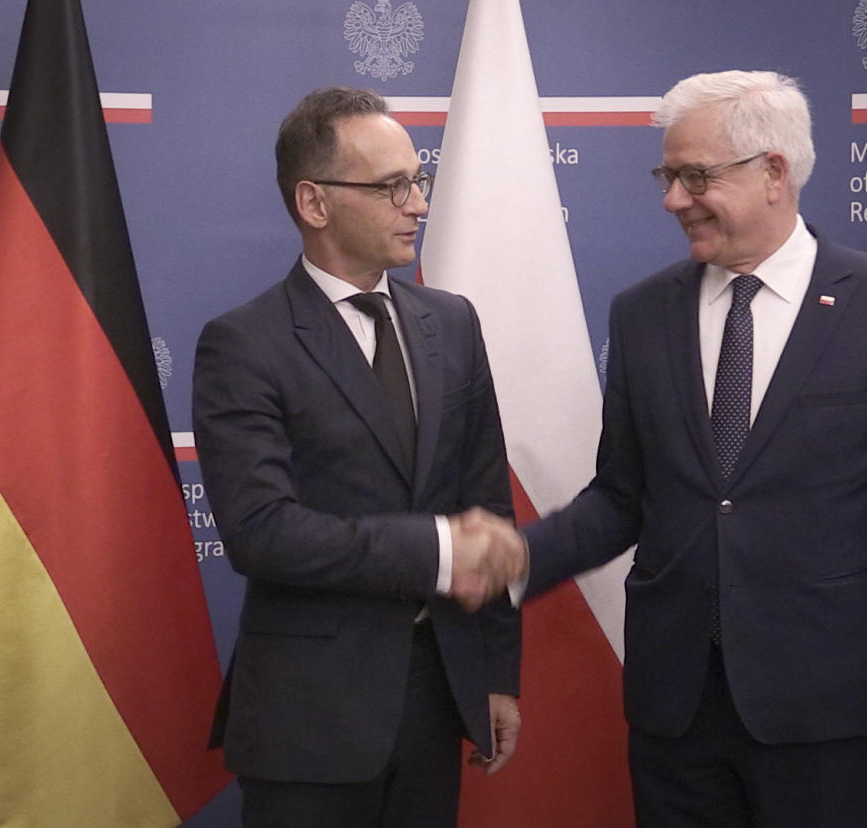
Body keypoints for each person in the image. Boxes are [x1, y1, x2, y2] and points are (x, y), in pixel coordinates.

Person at [486, 69, 867, 826]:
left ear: (773, 171)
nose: (673, 199)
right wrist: (515, 559)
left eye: (695, 176)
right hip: (675, 708)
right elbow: (622, 497)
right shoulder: (643, 314)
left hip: (821, 709)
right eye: (668, 176)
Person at [192, 87, 524, 827]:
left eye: (419, 180)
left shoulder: (452, 322)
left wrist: (496, 675)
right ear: (314, 203)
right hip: (309, 723)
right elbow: (261, 531)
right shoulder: (245, 344)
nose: (417, 204)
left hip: (439, 702)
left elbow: (487, 504)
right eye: (392, 186)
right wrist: (438, 547)